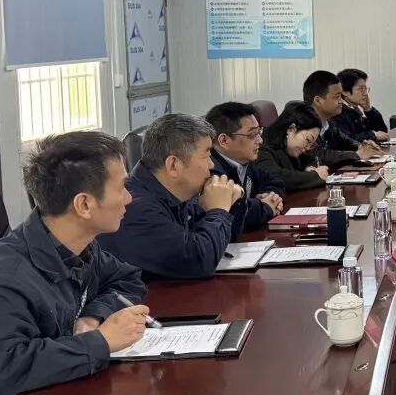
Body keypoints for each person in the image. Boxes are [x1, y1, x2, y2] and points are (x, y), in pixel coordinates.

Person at [0, 131, 149, 395]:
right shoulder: (3, 277)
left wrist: (94, 315)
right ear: (84, 205)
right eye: (121, 188)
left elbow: (127, 279)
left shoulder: (79, 246)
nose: (129, 198)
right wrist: (101, 342)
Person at [97, 114, 243, 280]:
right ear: (173, 165)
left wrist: (230, 200)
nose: (211, 165)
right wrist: (219, 211)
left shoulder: (176, 192)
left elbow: (225, 238)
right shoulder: (135, 209)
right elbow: (198, 262)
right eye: (206, 155)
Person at [206, 102, 286, 242]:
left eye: (259, 132)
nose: (260, 140)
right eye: (253, 134)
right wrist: (266, 207)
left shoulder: (243, 162)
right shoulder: (210, 170)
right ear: (224, 140)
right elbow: (234, 212)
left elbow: (275, 181)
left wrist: (270, 196)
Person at [302, 70, 379, 168]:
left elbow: (344, 140)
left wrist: (361, 146)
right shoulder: (303, 123)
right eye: (337, 97)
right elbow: (317, 155)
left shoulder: (328, 122)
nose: (341, 101)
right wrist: (357, 155)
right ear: (318, 100)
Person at [257, 102, 332, 191]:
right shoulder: (261, 149)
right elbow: (277, 176)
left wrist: (310, 168)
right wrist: (314, 175)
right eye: (308, 140)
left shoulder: (292, 149)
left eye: (311, 144)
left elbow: (312, 158)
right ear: (291, 129)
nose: (308, 147)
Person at [333, 68, 390, 143]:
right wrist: (373, 135)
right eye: (361, 89)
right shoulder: (337, 112)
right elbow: (346, 140)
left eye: (365, 88)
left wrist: (369, 110)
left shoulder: (355, 110)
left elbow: (382, 133)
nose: (365, 93)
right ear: (345, 92)